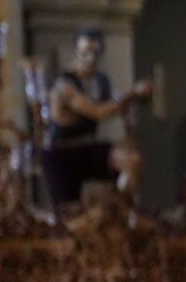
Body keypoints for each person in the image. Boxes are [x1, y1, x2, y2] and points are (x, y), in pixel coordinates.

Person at [43, 27, 152, 205]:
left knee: (132, 162)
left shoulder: (101, 81)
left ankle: (118, 210)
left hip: (88, 146)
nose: (90, 58)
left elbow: (115, 104)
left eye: (95, 52)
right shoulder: (65, 84)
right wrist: (134, 94)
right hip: (62, 151)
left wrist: (132, 111)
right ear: (77, 51)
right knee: (69, 214)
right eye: (85, 52)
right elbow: (97, 111)